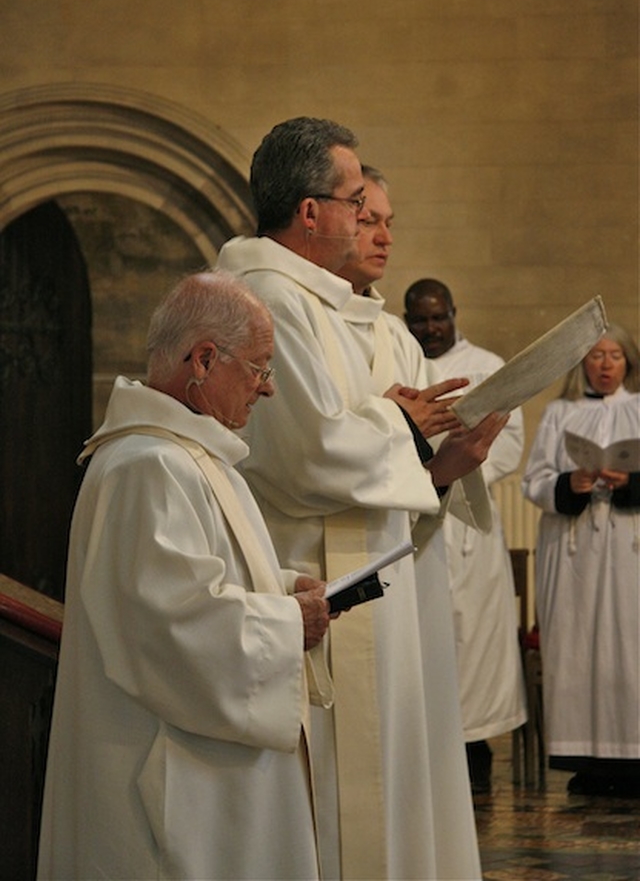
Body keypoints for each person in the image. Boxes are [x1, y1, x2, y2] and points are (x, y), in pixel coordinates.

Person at [217, 117, 507, 880]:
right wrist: (405, 427)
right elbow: (306, 450)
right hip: (313, 580)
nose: (370, 224)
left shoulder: (360, 317)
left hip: (391, 590)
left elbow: (397, 469)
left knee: (402, 780)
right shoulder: (262, 298)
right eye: (357, 203)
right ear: (310, 211)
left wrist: (450, 463)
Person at [37, 269, 333, 881]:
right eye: (259, 367)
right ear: (202, 359)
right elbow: (168, 627)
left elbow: (194, 584)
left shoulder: (187, 454)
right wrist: (285, 623)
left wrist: (279, 589)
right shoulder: (146, 465)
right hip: (170, 778)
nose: (268, 389)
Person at [404, 277, 527, 794]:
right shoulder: (400, 361)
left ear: (454, 313)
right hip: (417, 513)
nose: (431, 329)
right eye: (420, 320)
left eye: (438, 317)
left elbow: (509, 438)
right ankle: (423, 755)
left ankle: (474, 753)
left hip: (468, 522)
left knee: (471, 640)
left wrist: (460, 464)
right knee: (424, 641)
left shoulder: (486, 365)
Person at [522, 324, 640, 797]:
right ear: (582, 363)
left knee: (628, 647)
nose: (605, 364)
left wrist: (631, 484)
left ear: (628, 362)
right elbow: (535, 479)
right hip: (574, 550)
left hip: (629, 550)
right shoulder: (558, 413)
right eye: (595, 355)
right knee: (577, 645)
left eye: (614, 355)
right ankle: (584, 757)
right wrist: (569, 485)